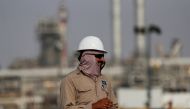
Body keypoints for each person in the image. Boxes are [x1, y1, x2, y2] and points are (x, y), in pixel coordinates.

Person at [59, 36, 118, 109]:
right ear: (86, 57)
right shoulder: (70, 80)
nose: (103, 60)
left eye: (103, 56)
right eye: (99, 56)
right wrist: (92, 107)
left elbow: (115, 105)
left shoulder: (105, 80)